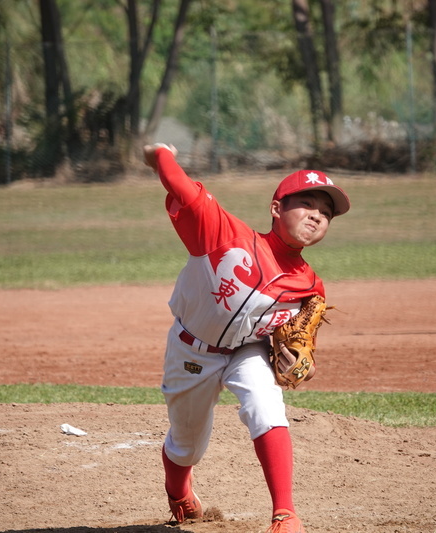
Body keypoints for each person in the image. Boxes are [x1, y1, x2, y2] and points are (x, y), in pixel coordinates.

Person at [143, 143, 350, 533]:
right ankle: (179, 492)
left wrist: (299, 367)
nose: (317, 215)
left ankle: (284, 514)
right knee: (187, 442)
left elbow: (301, 353)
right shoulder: (225, 235)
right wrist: (160, 156)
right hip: (192, 350)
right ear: (276, 209)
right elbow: (183, 188)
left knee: (265, 402)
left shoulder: (310, 286)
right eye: (306, 203)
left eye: (326, 213)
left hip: (247, 352)